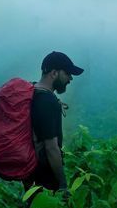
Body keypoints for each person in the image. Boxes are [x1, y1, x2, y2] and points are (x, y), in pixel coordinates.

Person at [22, 50, 84, 196]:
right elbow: (51, 147)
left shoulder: (33, 92)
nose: (70, 79)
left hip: (31, 175)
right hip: (46, 179)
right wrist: (62, 185)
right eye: (68, 73)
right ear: (54, 73)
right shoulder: (47, 101)